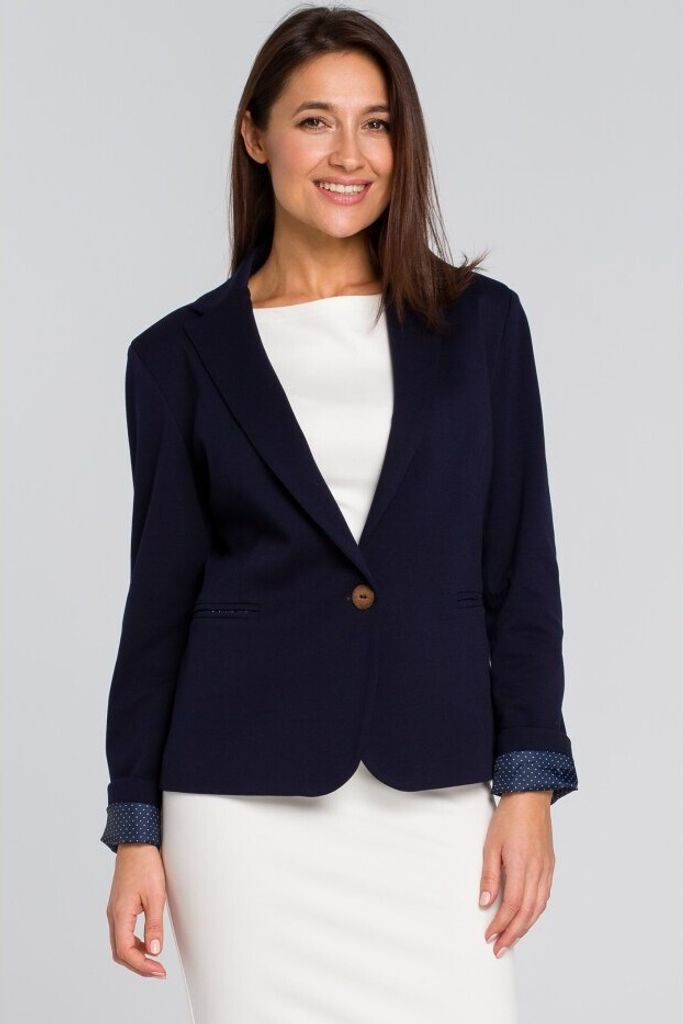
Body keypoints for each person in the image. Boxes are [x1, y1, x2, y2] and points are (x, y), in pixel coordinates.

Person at [101, 6, 578, 1021]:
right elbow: (159, 604)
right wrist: (134, 827)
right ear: (254, 134)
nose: (349, 155)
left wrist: (528, 783)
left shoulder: (481, 328)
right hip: (239, 807)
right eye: (314, 121)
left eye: (377, 124)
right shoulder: (178, 358)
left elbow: (519, 573)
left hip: (433, 789)